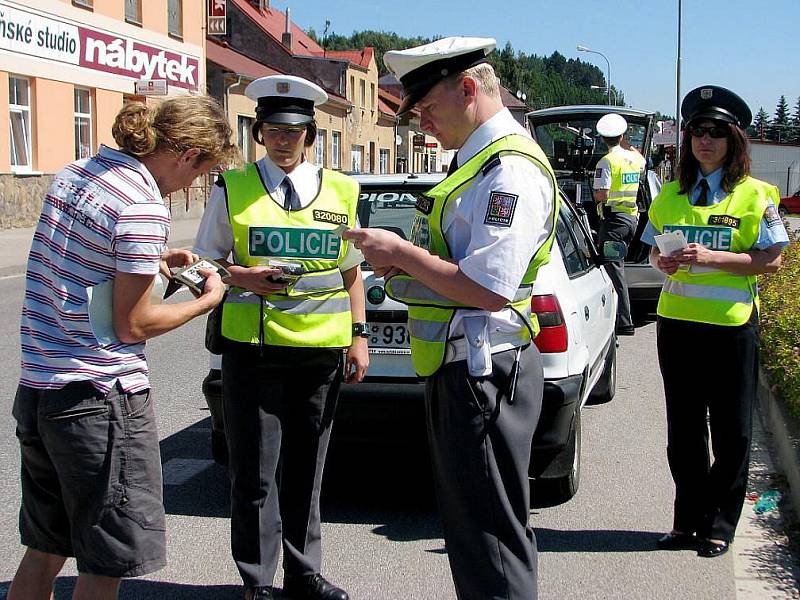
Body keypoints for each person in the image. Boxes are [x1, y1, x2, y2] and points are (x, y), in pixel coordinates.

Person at [343, 37, 559, 599]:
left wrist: (398, 252)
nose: (422, 125)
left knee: (490, 538)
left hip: (484, 370)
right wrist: (405, 274)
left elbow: (488, 288)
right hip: (465, 366)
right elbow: (456, 270)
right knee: (477, 532)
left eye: (427, 109)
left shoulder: (508, 171)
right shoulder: (477, 163)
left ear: (467, 90)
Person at [8, 95, 238, 600]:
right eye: (204, 171)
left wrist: (154, 258)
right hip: (100, 399)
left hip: (41, 388)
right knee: (106, 558)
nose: (196, 185)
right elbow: (134, 324)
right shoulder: (142, 203)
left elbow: (83, 259)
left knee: (47, 546)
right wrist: (208, 300)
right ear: (185, 155)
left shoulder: (78, 172)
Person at [193, 75, 368, 600]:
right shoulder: (234, 188)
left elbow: (351, 271)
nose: (283, 140)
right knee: (254, 474)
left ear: (309, 135)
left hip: (320, 353)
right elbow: (205, 264)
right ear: (260, 134)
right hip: (254, 352)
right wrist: (242, 277)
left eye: (293, 131)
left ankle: (304, 573)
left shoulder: (341, 190)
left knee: (307, 471)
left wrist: (358, 337)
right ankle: (257, 581)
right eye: (272, 130)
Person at [642, 85, 788, 558]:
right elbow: (651, 246)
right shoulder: (669, 195)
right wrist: (659, 262)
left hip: (731, 328)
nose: (705, 140)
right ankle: (687, 521)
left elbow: (773, 260)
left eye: (716, 132)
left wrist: (712, 256)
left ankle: (720, 525)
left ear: (733, 139)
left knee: (732, 432)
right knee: (683, 431)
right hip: (677, 326)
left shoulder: (757, 195)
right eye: (697, 131)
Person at [593, 112, 646, 336]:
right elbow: (641, 158)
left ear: (602, 138)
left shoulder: (606, 162)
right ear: (622, 135)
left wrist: (594, 193)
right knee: (615, 266)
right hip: (631, 219)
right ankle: (618, 317)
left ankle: (624, 321)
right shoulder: (635, 159)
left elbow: (601, 195)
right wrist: (627, 143)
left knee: (613, 269)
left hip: (614, 222)